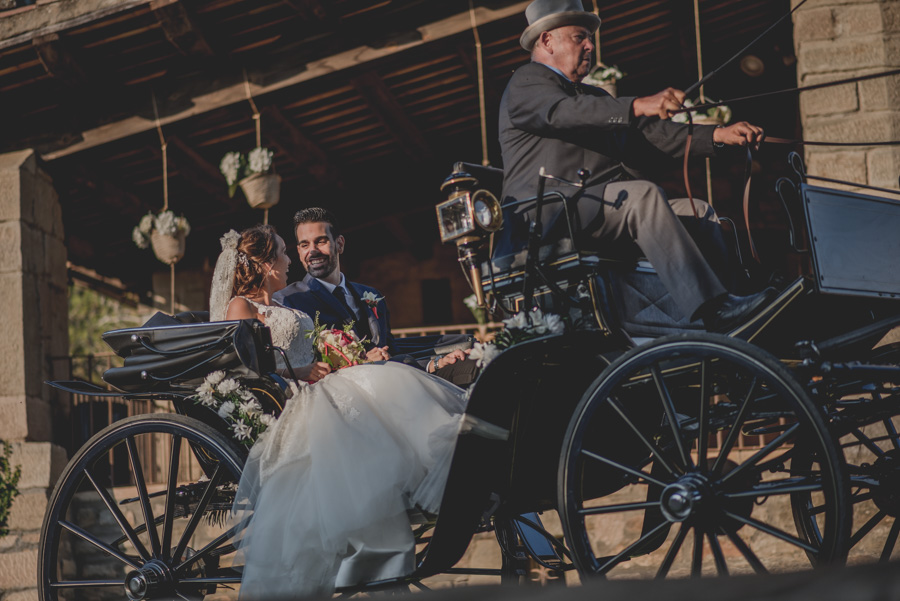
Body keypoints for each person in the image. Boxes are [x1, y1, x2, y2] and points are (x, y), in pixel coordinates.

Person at [209, 225, 468, 599]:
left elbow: (307, 353)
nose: (288, 259)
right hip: (291, 396)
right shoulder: (241, 307)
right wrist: (298, 372)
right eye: (283, 251)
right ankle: (376, 551)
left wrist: (340, 357)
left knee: (383, 383)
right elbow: (239, 368)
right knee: (375, 396)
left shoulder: (283, 304)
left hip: (319, 382)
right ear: (265, 264)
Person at [497, 0, 775, 332]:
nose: (590, 45)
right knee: (641, 197)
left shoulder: (593, 96)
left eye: (590, 38)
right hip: (547, 215)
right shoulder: (527, 82)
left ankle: (735, 303)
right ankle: (713, 311)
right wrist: (640, 104)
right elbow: (564, 112)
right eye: (579, 37)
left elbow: (649, 136)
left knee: (699, 211)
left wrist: (718, 134)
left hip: (593, 208)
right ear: (546, 41)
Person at [274, 207, 478, 387]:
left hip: (397, 380)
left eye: (321, 241)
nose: (313, 251)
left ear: (340, 244)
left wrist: (436, 362)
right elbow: (300, 369)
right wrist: (360, 362)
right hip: (348, 395)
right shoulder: (289, 302)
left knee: (476, 362)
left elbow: (393, 350)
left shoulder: (371, 295)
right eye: (304, 245)